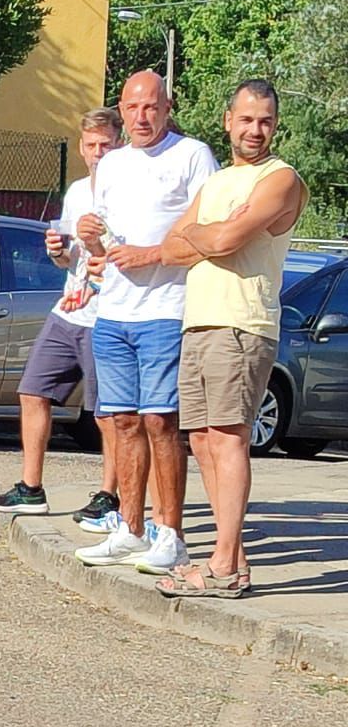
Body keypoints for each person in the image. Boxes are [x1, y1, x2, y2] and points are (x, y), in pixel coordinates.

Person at [153, 79, 308, 599]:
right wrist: (209, 234)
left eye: (264, 120)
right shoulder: (219, 182)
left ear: (275, 124)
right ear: (227, 121)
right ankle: (231, 559)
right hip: (199, 321)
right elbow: (172, 248)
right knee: (201, 439)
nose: (255, 130)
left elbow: (221, 240)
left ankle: (221, 564)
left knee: (229, 436)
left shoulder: (280, 179)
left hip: (242, 324)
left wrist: (208, 234)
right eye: (246, 119)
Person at [73, 70, 217, 574]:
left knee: (161, 422)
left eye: (151, 107)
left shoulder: (192, 155)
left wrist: (153, 255)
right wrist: (89, 237)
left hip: (166, 310)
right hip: (113, 311)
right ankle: (130, 528)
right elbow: (105, 243)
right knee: (122, 422)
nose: (141, 117)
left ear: (167, 106)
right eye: (133, 108)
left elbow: (207, 234)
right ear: (121, 107)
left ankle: (170, 533)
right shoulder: (111, 164)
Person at [0, 108, 123, 519]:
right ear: (81, 147)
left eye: (106, 145)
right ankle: (31, 488)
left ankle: (109, 496)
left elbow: (129, 256)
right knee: (32, 390)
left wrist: (97, 246)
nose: (98, 153)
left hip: (108, 315)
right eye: (92, 145)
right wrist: (59, 252)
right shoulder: (78, 191)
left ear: (119, 145)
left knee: (108, 413)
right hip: (70, 308)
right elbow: (70, 261)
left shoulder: (129, 192)